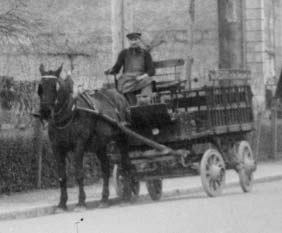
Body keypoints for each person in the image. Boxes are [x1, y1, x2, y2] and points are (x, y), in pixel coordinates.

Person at [105, 32, 155, 105]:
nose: (134, 42)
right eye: (131, 40)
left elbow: (151, 70)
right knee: (126, 93)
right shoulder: (124, 53)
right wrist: (110, 70)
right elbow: (117, 67)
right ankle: (131, 106)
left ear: (139, 40)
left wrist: (142, 76)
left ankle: (144, 104)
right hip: (127, 81)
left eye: (135, 39)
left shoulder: (145, 53)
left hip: (141, 79)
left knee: (145, 97)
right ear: (129, 41)